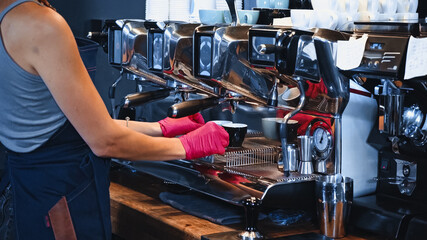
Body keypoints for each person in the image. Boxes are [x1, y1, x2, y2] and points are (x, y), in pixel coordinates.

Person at [0, 0, 229, 239]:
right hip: (62, 206)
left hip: (27, 198)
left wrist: (160, 128)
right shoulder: (42, 25)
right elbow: (104, 141)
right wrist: (187, 146)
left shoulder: (9, 17)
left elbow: (72, 128)